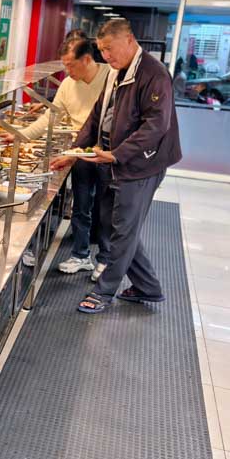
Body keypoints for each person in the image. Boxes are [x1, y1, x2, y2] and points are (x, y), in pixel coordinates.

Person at [52, 19, 182, 314]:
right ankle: (148, 286)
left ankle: (104, 291)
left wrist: (118, 154)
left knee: (122, 228)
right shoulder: (114, 72)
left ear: (129, 40)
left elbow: (156, 126)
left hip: (142, 164)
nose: (106, 57)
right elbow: (97, 117)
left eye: (109, 49)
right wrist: (75, 152)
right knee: (118, 226)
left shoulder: (153, 73)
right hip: (113, 157)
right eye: (102, 50)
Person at [19, 35, 111, 276]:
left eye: (70, 65)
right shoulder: (69, 85)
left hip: (106, 152)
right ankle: (81, 255)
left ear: (88, 59)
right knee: (81, 205)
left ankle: (105, 260)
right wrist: (20, 136)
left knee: (106, 208)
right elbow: (52, 117)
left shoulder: (110, 78)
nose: (67, 70)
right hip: (79, 150)